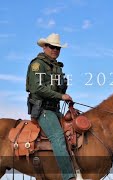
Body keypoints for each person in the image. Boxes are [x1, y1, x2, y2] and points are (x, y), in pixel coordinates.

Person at [26, 33, 75, 179]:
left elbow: (57, 90)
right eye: (52, 47)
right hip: (42, 110)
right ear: (44, 47)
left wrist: (63, 91)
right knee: (58, 137)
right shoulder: (37, 64)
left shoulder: (57, 67)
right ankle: (68, 176)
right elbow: (37, 89)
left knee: (73, 132)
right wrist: (61, 96)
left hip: (55, 109)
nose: (55, 50)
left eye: (58, 48)